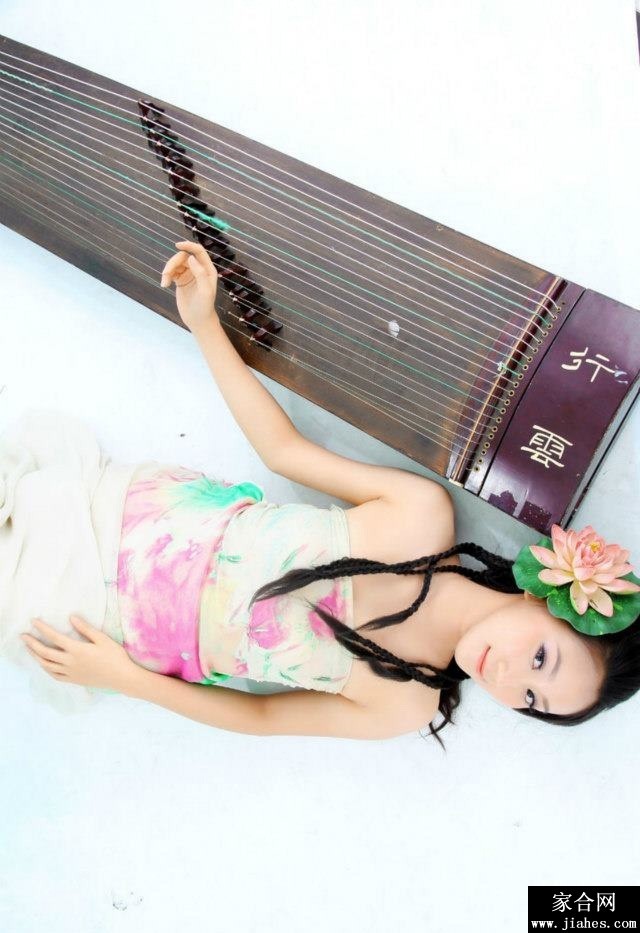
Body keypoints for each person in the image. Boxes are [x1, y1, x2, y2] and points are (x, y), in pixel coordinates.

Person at [5, 242, 640, 746]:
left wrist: (126, 679)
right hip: (136, 521)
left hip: (115, 622)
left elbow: (259, 719)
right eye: (540, 658)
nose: (508, 678)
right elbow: (282, 451)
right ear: (546, 596)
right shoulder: (420, 519)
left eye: (530, 700)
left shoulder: (404, 703)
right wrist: (203, 324)